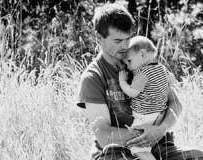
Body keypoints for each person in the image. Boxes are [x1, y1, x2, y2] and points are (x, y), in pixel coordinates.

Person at [77, 2, 203, 160]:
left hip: (160, 145)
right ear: (99, 38)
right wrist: (146, 133)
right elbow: (103, 134)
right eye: (117, 41)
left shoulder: (141, 62)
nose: (125, 46)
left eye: (128, 38)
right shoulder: (93, 77)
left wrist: (160, 129)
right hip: (117, 151)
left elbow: (175, 104)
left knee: (198, 156)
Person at [119, 36, 173, 160]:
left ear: (143, 54)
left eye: (129, 61)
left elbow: (133, 93)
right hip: (160, 114)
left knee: (137, 145)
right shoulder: (162, 68)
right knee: (147, 143)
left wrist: (122, 82)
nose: (127, 65)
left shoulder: (143, 73)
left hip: (145, 116)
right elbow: (171, 80)